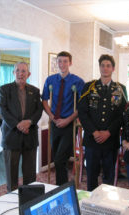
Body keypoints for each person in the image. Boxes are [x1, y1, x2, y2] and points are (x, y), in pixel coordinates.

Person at [78, 54, 127, 191]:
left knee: (109, 175)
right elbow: (82, 112)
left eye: (108, 66)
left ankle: (107, 204)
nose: (105, 68)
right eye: (102, 65)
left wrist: (109, 132)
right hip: (92, 138)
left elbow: (122, 115)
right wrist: (94, 132)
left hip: (110, 139)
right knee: (91, 174)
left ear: (113, 68)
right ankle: (91, 203)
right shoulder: (89, 87)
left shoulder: (120, 89)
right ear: (99, 67)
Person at [0, 62, 43, 192]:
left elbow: (38, 111)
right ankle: (11, 198)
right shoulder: (4, 89)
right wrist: (18, 125)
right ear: (13, 73)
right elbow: (3, 110)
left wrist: (29, 122)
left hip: (30, 137)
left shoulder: (35, 91)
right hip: (11, 136)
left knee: (30, 175)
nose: (20, 74)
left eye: (23, 71)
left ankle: (29, 200)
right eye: (17, 70)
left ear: (28, 74)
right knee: (11, 175)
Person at [42, 51, 84, 185]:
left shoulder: (78, 82)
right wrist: (52, 117)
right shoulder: (50, 80)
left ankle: (62, 187)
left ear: (70, 63)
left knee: (60, 159)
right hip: (54, 123)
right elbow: (44, 100)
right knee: (58, 158)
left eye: (65, 61)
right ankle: (64, 186)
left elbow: (81, 105)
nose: (62, 64)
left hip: (69, 124)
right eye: (59, 61)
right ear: (56, 63)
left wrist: (68, 120)